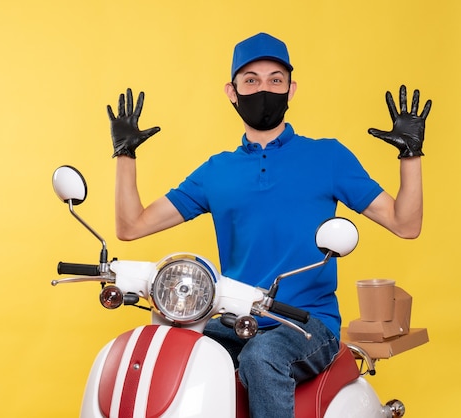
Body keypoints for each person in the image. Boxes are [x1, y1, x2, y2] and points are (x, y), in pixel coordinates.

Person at [106, 32, 432, 418]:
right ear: (232, 91)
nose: (264, 88)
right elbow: (131, 226)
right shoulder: (216, 172)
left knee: (262, 359)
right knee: (175, 352)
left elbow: (405, 223)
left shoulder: (327, 156)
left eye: (275, 80)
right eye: (251, 80)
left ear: (291, 90)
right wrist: (125, 154)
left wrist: (410, 155)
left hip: (307, 325)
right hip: (233, 319)